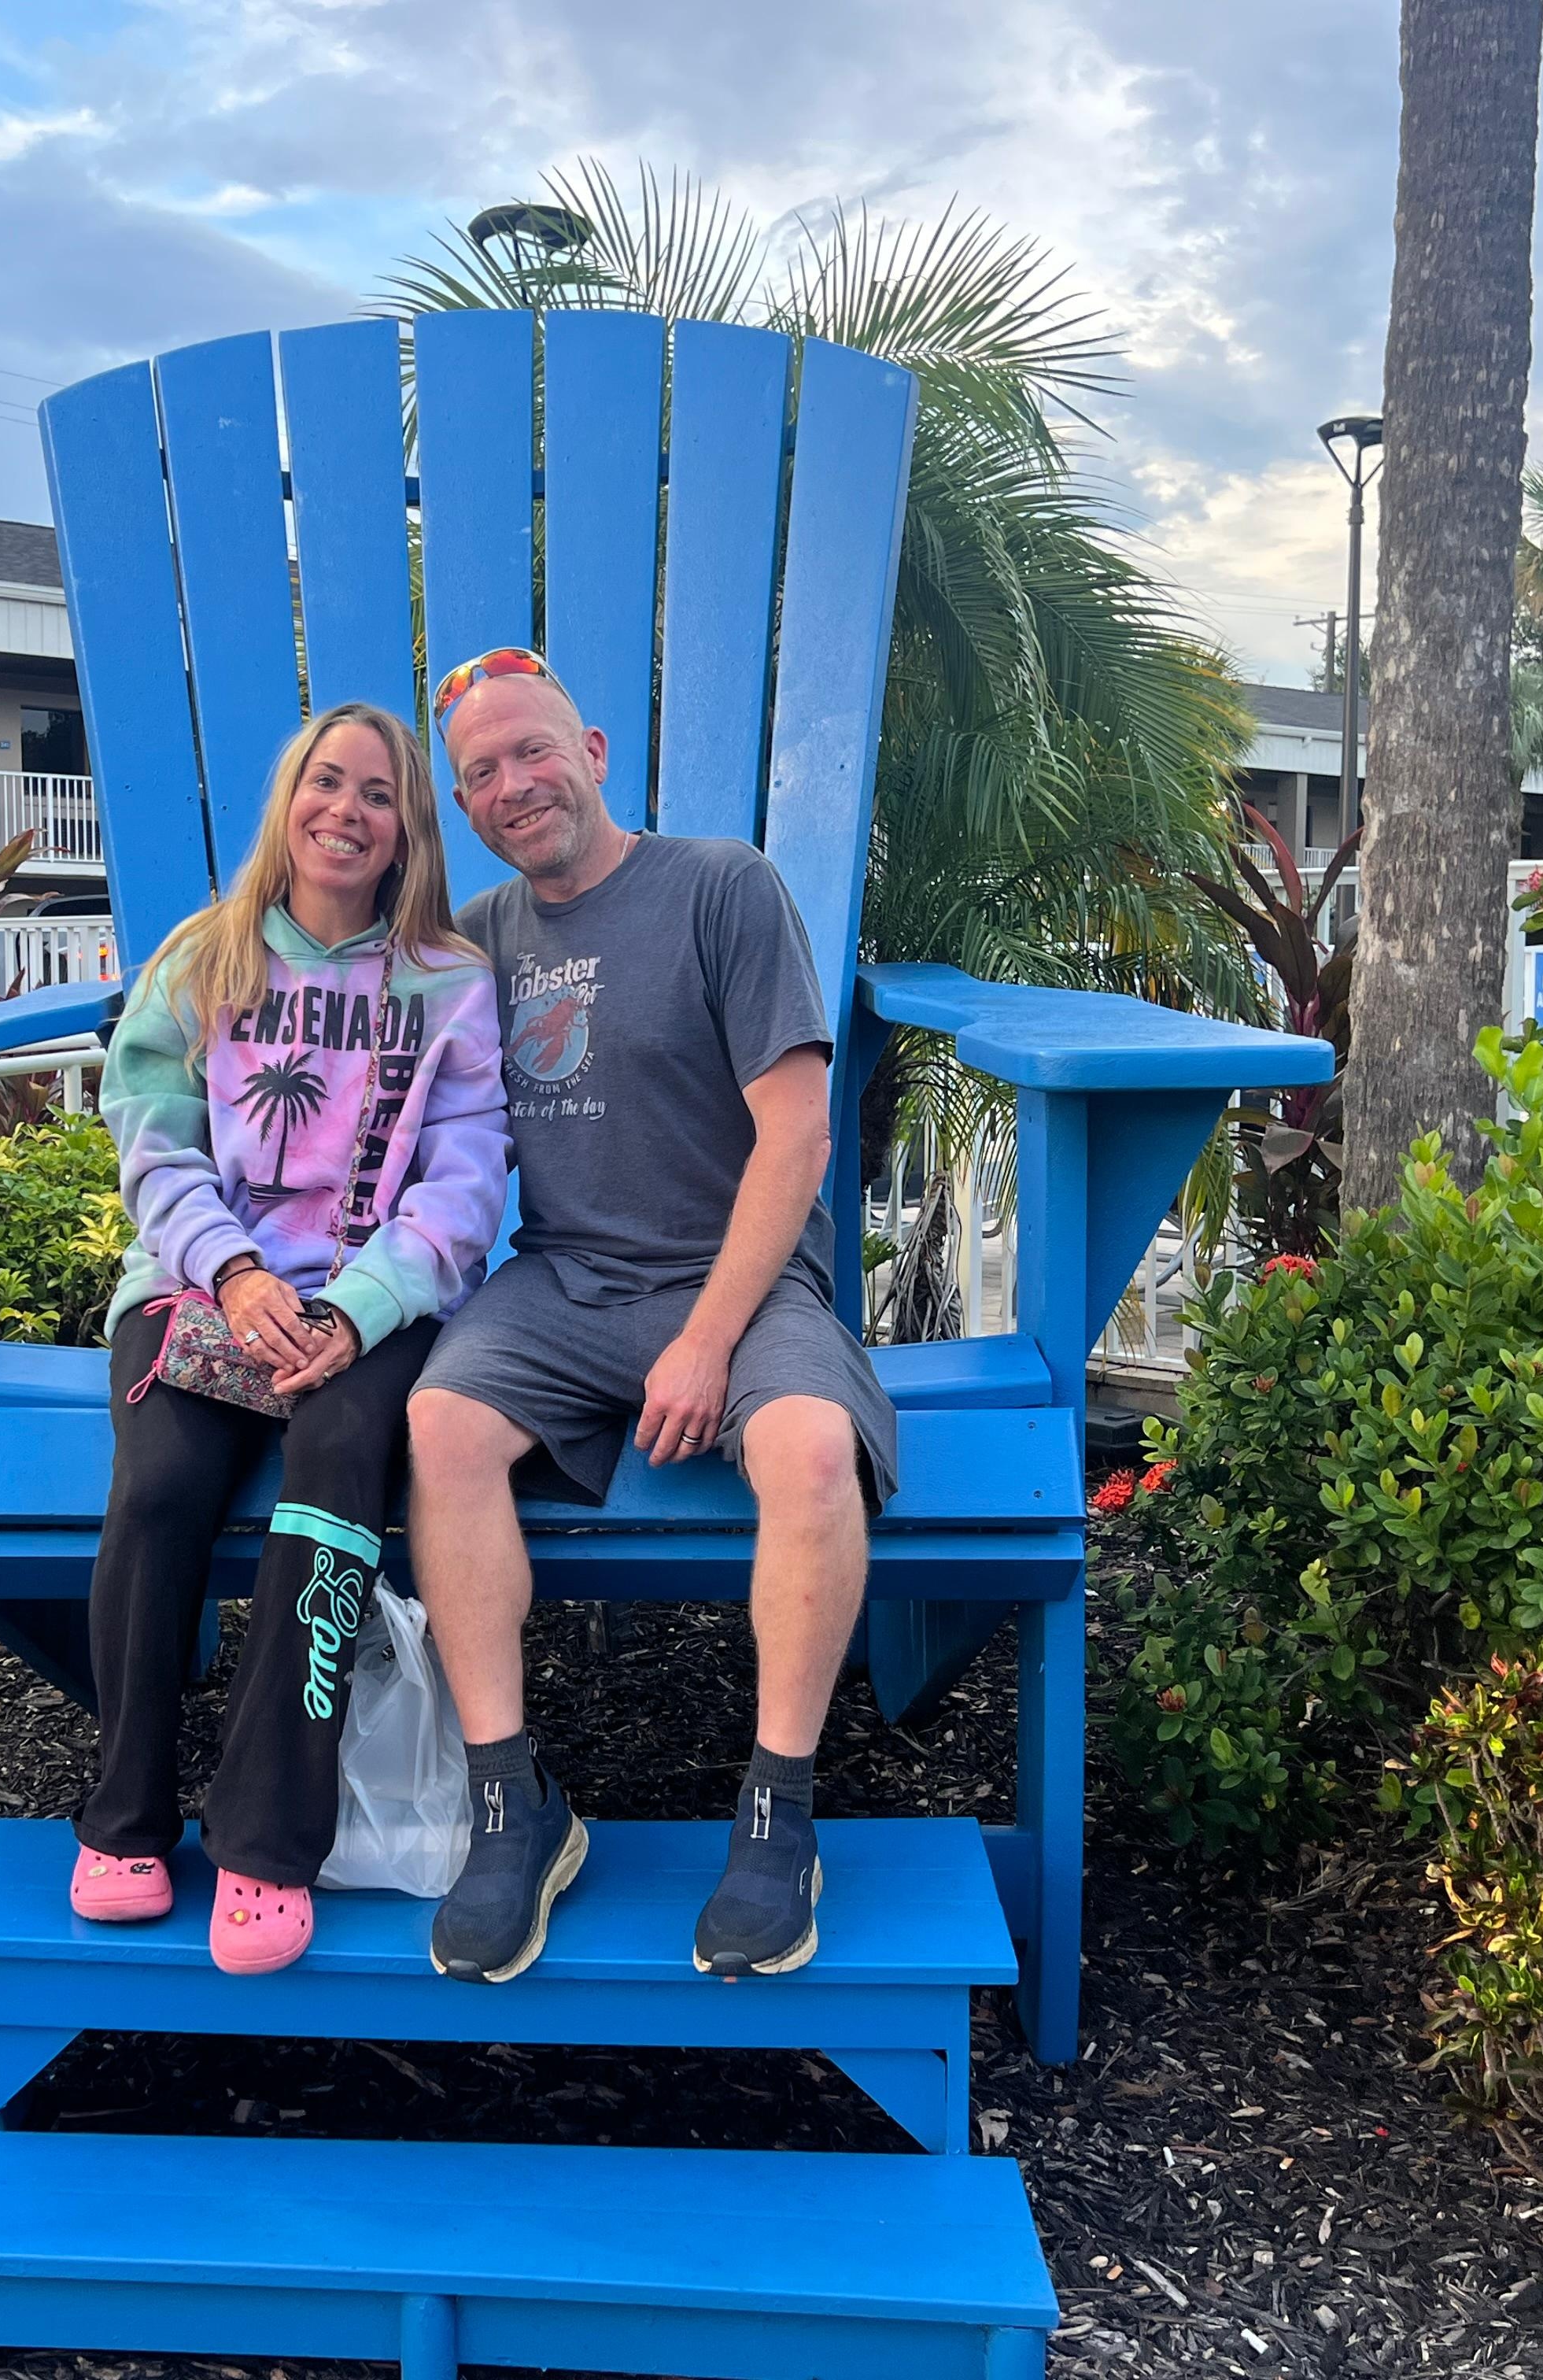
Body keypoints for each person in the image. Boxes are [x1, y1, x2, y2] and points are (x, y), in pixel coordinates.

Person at [408, 647, 895, 1985]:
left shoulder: (720, 888)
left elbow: (795, 1136)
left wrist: (706, 1337)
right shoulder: (480, 943)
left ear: (596, 751)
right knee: (441, 1424)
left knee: (806, 1452)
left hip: (735, 1278)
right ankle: (515, 1807)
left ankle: (777, 1812)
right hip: (562, 1283)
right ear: (464, 808)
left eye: (533, 751)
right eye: (482, 775)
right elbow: (406, 1128)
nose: (516, 785)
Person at [73, 700, 508, 1975]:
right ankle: (124, 1820)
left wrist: (355, 1309)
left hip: (368, 1309)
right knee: (159, 1488)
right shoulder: (202, 962)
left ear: (406, 834)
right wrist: (237, 1271)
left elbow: (466, 1180)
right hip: (201, 1287)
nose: (346, 811)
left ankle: (268, 1842)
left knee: (333, 1489)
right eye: (327, 783)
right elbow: (150, 1138)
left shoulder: (448, 986)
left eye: (378, 795)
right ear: (289, 802)